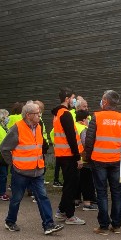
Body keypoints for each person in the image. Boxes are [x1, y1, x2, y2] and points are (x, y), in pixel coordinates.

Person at [0, 101, 64, 235]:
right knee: (16, 199)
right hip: (21, 171)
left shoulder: (38, 126)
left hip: (37, 170)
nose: (40, 115)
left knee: (43, 197)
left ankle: (48, 225)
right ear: (28, 115)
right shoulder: (17, 128)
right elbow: (4, 148)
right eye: (37, 113)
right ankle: (10, 221)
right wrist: (13, 163)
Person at [84, 90, 121, 235]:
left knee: (101, 193)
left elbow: (89, 140)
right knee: (116, 192)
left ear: (105, 102)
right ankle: (117, 225)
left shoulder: (97, 116)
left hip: (99, 159)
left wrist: (87, 158)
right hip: (117, 160)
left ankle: (104, 226)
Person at [52, 89, 85, 225]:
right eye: (73, 98)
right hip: (69, 155)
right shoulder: (65, 114)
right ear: (67, 99)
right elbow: (71, 137)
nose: (74, 100)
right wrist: (78, 157)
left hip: (62, 154)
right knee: (71, 185)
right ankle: (70, 215)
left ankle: (61, 210)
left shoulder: (58, 113)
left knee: (68, 184)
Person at [75, 109, 97, 211]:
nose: (89, 120)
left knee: (78, 181)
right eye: (88, 118)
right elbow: (86, 143)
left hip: (74, 158)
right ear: (84, 120)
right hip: (84, 159)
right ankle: (87, 203)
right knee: (87, 181)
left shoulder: (73, 126)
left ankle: (76, 200)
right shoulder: (84, 129)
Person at [0, 109, 10, 201]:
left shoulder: (5, 128)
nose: (8, 118)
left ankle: (1, 192)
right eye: (6, 116)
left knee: (3, 175)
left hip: (4, 154)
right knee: (1, 174)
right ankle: (0, 193)